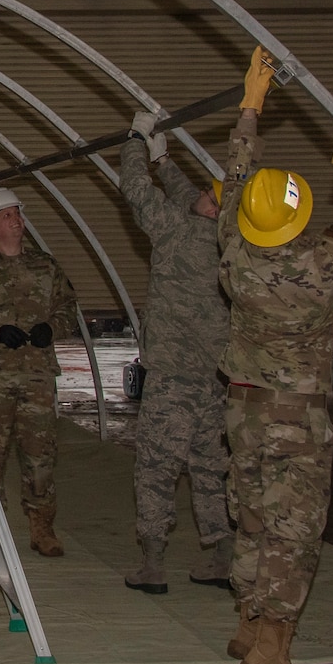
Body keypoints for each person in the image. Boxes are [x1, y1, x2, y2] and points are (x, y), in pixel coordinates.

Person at [217, 49, 333, 664]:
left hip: (244, 407)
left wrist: (249, 108)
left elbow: (235, 183)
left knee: (253, 514)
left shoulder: (233, 255)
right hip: (296, 417)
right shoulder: (320, 264)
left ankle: (246, 620)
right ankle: (271, 647)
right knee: (295, 527)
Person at [117, 116, 233, 593]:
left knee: (156, 469)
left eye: (207, 196)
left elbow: (133, 187)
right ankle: (223, 557)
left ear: (211, 210)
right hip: (216, 381)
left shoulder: (174, 233)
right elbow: (194, 199)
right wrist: (165, 160)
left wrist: (135, 142)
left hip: (172, 381)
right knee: (212, 467)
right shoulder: (232, 243)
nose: (199, 196)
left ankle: (153, 565)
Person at [0, 187, 78, 560]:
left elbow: (68, 307)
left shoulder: (46, 266)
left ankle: (42, 527)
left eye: (17, 213)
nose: (16, 220)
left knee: (40, 455)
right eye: (6, 215)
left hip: (37, 375)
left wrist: (52, 327)